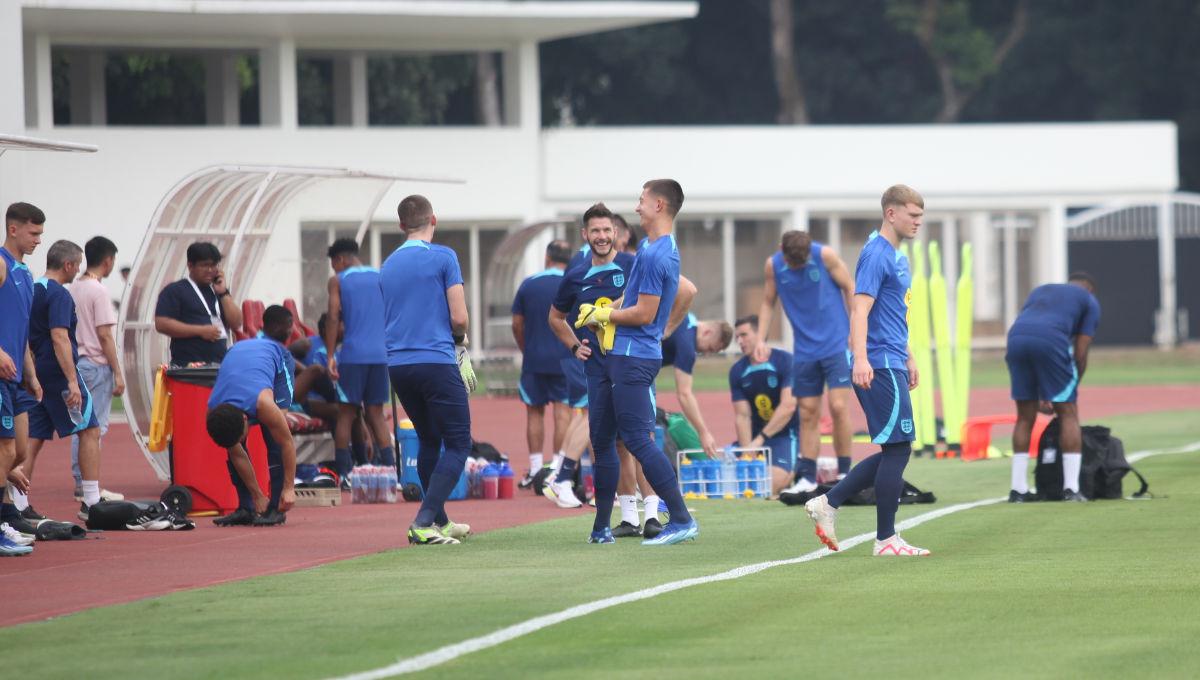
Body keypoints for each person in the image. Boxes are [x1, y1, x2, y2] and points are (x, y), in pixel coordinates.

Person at [804, 184, 930, 557]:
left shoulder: (897, 257)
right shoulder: (876, 254)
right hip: (876, 362)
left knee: (896, 448)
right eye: (913, 215)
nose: (918, 222)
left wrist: (908, 354)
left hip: (892, 357)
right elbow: (860, 309)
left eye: (921, 216)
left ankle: (829, 503)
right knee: (898, 449)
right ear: (891, 213)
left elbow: (890, 314)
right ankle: (885, 539)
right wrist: (860, 359)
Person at [576, 179, 697, 545]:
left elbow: (644, 313)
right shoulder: (649, 247)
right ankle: (602, 527)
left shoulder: (660, 253)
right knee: (604, 438)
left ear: (659, 206)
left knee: (638, 441)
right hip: (622, 357)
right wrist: (603, 310)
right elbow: (629, 298)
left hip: (634, 357)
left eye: (642, 200)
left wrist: (603, 318)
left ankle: (680, 518)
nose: (637, 206)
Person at [381, 195, 476, 545]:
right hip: (435, 360)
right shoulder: (443, 256)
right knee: (459, 442)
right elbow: (459, 316)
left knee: (429, 440)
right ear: (433, 219)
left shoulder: (388, 264)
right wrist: (460, 339)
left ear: (400, 225)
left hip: (400, 367)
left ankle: (439, 519)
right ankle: (422, 521)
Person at [547, 203, 639, 523]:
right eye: (595, 231)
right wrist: (575, 347)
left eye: (606, 230)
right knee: (605, 443)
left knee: (638, 439)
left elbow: (649, 299)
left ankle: (654, 512)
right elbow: (556, 318)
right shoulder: (575, 275)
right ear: (585, 235)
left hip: (632, 364)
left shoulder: (632, 264)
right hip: (597, 369)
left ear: (616, 233)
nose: (601, 236)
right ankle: (624, 517)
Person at [755, 229, 856, 494]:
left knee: (837, 407)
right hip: (804, 350)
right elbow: (768, 302)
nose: (796, 267)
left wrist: (855, 331)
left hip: (836, 344)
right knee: (808, 411)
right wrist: (760, 339)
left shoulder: (826, 256)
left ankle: (845, 472)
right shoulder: (773, 265)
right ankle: (808, 477)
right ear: (782, 251)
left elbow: (850, 288)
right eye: (792, 263)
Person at [20, 240, 106, 522]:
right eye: (77, 264)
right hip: (58, 370)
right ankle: (91, 501)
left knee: (33, 438)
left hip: (37, 368)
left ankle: (18, 504)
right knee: (89, 429)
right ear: (68, 265)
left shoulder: (33, 289)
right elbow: (59, 336)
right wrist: (71, 380)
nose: (78, 270)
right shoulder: (59, 295)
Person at [1006, 273, 1101, 503]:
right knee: (1068, 413)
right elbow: (1080, 351)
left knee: (1024, 417)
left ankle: (1018, 489)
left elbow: (1031, 326)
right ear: (1089, 288)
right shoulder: (1089, 301)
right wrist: (1070, 388)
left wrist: (1044, 391)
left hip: (1016, 338)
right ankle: (1071, 489)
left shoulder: (1041, 290)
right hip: (1050, 339)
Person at [205, 305, 301, 527]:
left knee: (274, 435)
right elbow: (237, 451)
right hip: (238, 355)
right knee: (235, 449)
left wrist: (289, 488)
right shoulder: (214, 410)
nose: (238, 442)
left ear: (246, 419)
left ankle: (276, 507)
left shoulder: (263, 404)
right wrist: (257, 494)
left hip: (275, 362)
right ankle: (247, 506)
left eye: (241, 436)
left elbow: (287, 442)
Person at [324, 238, 395, 480]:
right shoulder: (381, 276)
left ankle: (343, 473)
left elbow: (333, 317)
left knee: (346, 413)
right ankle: (390, 470)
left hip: (353, 355)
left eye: (334, 264)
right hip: (380, 354)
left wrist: (331, 355)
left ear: (340, 260)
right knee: (376, 413)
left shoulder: (338, 281)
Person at [65, 236, 126, 504]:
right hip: (96, 363)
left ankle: (82, 480)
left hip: (79, 362)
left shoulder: (74, 288)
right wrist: (118, 371)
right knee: (94, 428)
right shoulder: (98, 291)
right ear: (108, 260)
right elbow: (104, 335)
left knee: (82, 426)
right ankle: (89, 485)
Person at [0, 203, 43, 556]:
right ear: (13, 229)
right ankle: (3, 521)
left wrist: (31, 373)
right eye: (33, 233)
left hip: (18, 378)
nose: (38, 240)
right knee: (6, 449)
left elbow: (23, 330)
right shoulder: (0, 263)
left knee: (20, 452)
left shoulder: (25, 274)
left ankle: (6, 514)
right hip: (0, 373)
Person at [511, 240, 573, 488]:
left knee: (534, 412)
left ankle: (535, 468)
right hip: (566, 358)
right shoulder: (572, 283)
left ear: (547, 257)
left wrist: (525, 347)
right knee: (563, 413)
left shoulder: (529, 284)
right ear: (568, 259)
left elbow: (516, 324)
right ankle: (556, 470)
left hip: (534, 358)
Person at [728, 315, 799, 494]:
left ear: (760, 334)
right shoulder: (737, 371)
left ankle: (798, 468)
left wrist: (759, 440)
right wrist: (747, 452)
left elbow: (788, 407)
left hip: (784, 436)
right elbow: (742, 416)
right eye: (737, 337)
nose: (739, 341)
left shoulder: (786, 361)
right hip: (752, 440)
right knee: (732, 483)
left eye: (744, 335)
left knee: (768, 486)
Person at [154, 241, 242, 366]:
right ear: (190, 266)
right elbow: (162, 324)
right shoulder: (175, 290)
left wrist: (223, 293)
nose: (210, 270)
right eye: (205, 265)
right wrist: (200, 331)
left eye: (214, 265)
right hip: (189, 368)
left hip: (219, 366)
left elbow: (237, 322)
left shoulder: (218, 292)